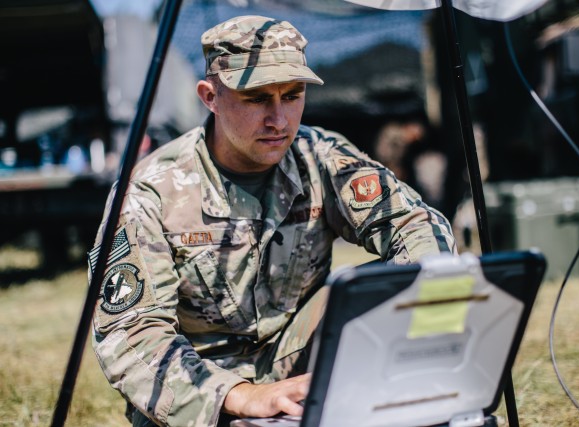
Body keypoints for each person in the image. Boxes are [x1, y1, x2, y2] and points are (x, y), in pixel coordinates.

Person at [90, 15, 457, 427]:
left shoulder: (319, 156)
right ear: (210, 96)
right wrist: (241, 396)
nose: (279, 120)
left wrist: (427, 302)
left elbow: (412, 222)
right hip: (200, 396)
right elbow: (130, 333)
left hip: (300, 369)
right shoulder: (150, 191)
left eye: (293, 95)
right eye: (256, 98)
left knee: (377, 286)